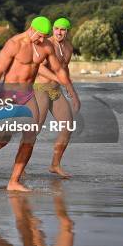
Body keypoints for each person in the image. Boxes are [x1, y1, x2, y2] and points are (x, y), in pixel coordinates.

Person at [0, 17, 81, 192]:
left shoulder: (46, 46)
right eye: (41, 36)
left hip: (28, 95)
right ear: (31, 29)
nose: (43, 39)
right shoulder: (14, 44)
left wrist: (72, 92)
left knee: (30, 138)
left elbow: (59, 70)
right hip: (9, 95)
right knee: (3, 139)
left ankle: (14, 181)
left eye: (45, 36)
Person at [34, 17, 77, 178]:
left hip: (56, 90)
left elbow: (64, 69)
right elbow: (37, 67)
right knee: (35, 128)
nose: (59, 32)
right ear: (53, 29)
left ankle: (55, 164)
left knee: (68, 126)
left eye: (63, 29)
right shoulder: (46, 44)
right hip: (40, 88)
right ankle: (19, 165)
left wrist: (69, 88)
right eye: (57, 28)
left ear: (67, 31)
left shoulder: (69, 48)